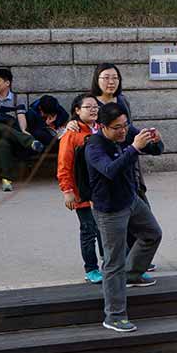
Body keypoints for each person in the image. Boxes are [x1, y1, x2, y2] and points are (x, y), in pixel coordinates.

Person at [85, 103, 164, 333]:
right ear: (102, 126)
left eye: (125, 125)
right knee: (113, 262)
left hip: (131, 199)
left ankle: (132, 273)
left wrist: (155, 140)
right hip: (109, 210)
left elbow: (156, 151)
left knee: (152, 234)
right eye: (116, 128)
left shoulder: (127, 133)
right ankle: (115, 316)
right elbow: (110, 170)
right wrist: (134, 149)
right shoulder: (94, 146)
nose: (123, 131)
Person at [57, 94, 104, 284]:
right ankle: (91, 269)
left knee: (105, 230)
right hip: (82, 191)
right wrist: (67, 190)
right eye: (88, 107)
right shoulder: (72, 135)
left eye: (96, 107)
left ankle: (109, 263)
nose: (93, 110)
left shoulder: (101, 130)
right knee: (88, 229)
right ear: (77, 111)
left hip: (102, 191)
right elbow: (64, 164)